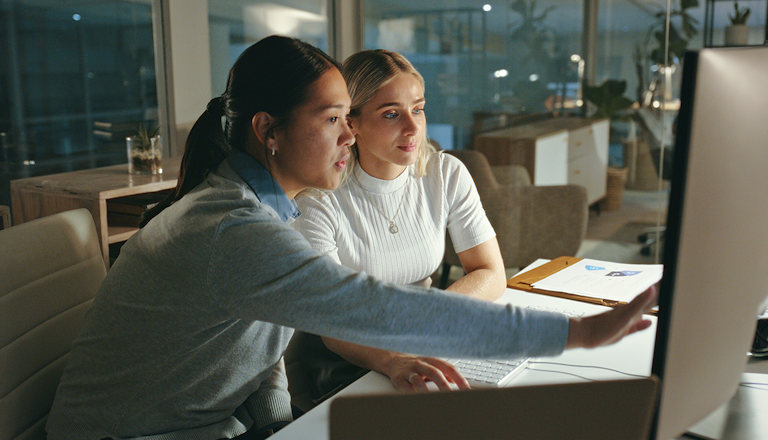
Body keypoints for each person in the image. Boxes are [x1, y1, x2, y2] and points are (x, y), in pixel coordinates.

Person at [46, 36, 657, 440]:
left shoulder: (267, 212)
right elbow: (376, 310)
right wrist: (573, 333)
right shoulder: (233, 227)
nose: (348, 137)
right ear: (270, 131)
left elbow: (263, 361)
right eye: (334, 119)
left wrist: (282, 430)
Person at [289, 49, 507, 404]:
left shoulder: (444, 173)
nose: (413, 128)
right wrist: (396, 358)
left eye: (418, 109)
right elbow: (331, 324)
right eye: (392, 114)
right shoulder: (319, 200)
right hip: (346, 358)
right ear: (351, 122)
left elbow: (491, 272)